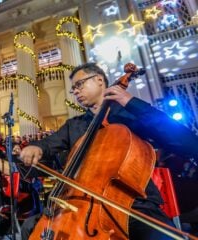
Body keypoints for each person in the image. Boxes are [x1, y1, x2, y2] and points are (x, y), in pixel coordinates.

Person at [20, 63, 198, 240]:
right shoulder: (74, 125)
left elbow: (186, 142)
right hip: (78, 205)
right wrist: (37, 147)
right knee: (31, 227)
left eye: (78, 85)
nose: (75, 91)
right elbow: (50, 143)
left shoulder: (130, 115)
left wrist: (131, 102)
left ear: (99, 80)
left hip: (132, 205)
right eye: (73, 88)